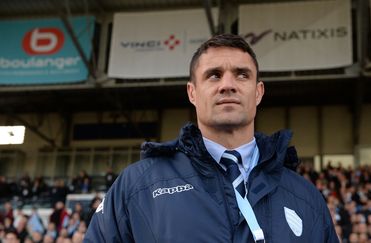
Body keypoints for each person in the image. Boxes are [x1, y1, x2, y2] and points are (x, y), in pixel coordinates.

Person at [84, 34, 338, 242]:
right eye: (214, 75)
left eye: (242, 74)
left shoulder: (306, 197)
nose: (227, 85)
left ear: (258, 92)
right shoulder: (138, 186)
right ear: (192, 92)